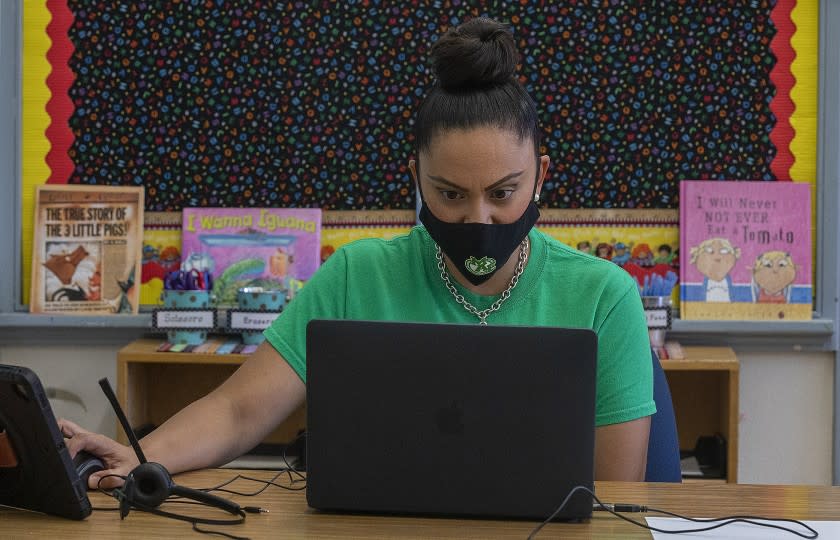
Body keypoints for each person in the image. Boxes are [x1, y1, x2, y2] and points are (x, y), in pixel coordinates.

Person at [60, 17, 654, 487]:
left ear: (541, 176)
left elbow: (613, 492)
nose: (480, 219)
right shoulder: (356, 274)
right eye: (449, 194)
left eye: (504, 193)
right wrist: (141, 456)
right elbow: (240, 411)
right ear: (416, 180)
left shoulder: (604, 294)